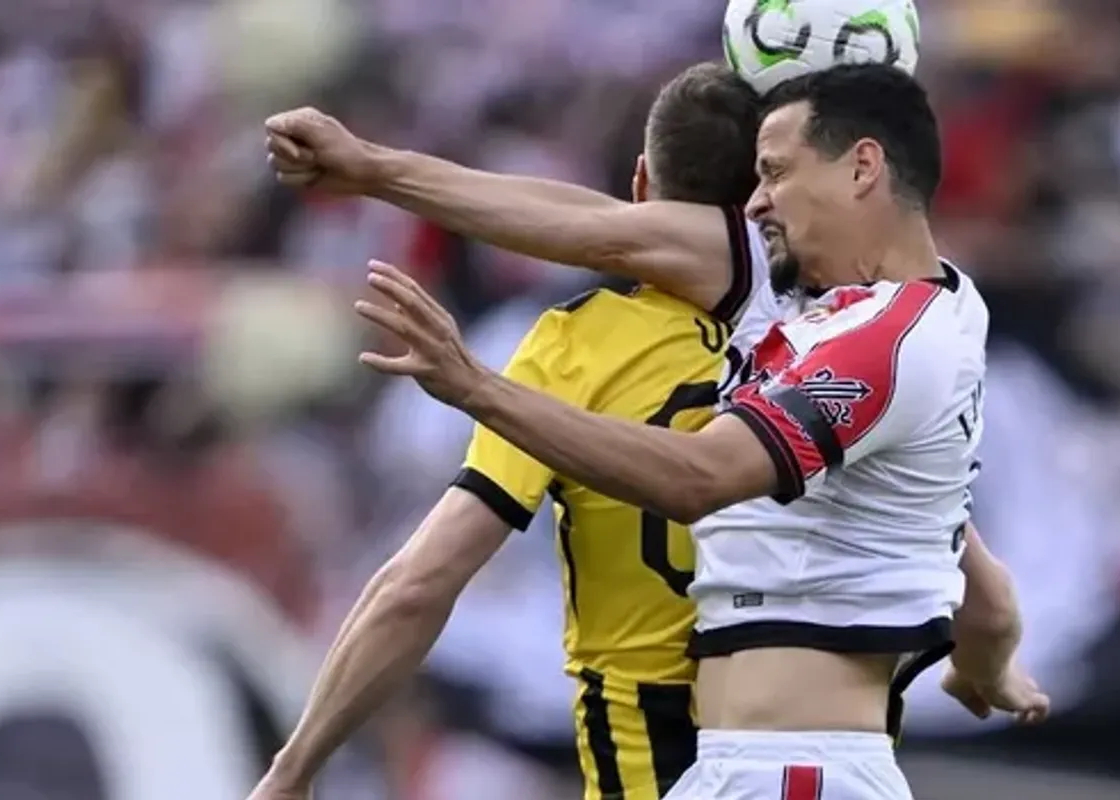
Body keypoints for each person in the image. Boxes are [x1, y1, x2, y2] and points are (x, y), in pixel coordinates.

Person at [275, 64, 1046, 800]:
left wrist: (475, 384)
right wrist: (985, 662)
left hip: (761, 764)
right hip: (757, 758)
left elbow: (692, 473)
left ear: (862, 168)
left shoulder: (872, 342)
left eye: (779, 175)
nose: (760, 207)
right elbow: (988, 597)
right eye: (760, 177)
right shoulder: (822, 318)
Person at [248, 64, 766, 800]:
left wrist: (293, 768)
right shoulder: (826, 316)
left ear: (643, 181)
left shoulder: (572, 350)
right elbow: (595, 224)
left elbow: (419, 582)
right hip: (811, 735)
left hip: (652, 752)